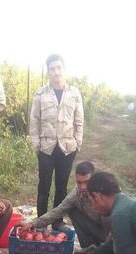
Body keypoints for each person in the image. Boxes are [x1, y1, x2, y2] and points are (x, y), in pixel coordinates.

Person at [29, 54, 84, 230]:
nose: (56, 72)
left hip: (67, 147)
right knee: (44, 186)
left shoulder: (74, 94)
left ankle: (58, 221)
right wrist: (36, 145)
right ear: (48, 71)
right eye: (52, 69)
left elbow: (79, 120)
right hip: (46, 147)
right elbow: (34, 120)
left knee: (61, 186)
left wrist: (78, 142)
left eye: (58, 68)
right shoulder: (40, 94)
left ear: (64, 69)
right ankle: (40, 222)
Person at [18, 161, 109, 254]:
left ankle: (104, 248)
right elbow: (58, 211)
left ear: (94, 179)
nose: (83, 187)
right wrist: (33, 223)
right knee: (72, 209)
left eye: (86, 182)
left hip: (110, 232)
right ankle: (90, 246)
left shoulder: (104, 191)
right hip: (94, 226)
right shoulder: (76, 194)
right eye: (79, 182)